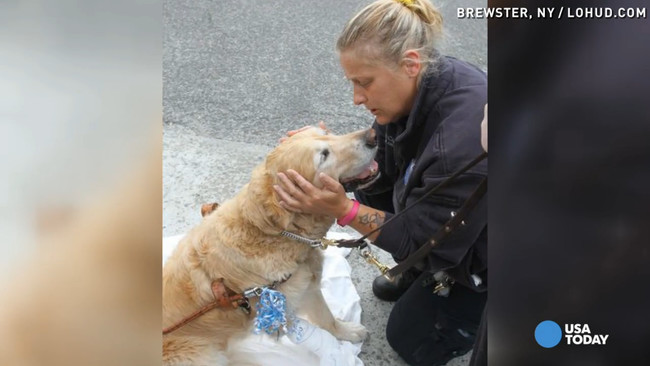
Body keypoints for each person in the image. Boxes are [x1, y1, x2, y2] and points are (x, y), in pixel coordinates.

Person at [273, 0, 487, 364]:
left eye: (364, 83)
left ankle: (478, 304)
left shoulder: (460, 148)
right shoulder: (422, 83)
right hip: (445, 218)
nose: (357, 99)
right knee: (390, 196)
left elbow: (422, 242)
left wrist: (343, 209)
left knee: (408, 340)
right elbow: (381, 165)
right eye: (353, 83)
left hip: (490, 254)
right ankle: (423, 277)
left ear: (410, 64)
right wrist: (326, 149)